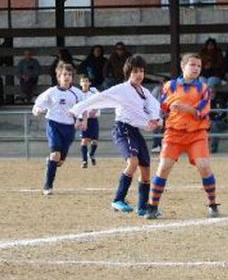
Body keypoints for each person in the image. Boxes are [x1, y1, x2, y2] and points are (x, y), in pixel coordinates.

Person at [69, 55, 162, 214]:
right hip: (123, 128)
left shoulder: (145, 92)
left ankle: (142, 207)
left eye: (141, 71)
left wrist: (156, 119)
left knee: (146, 170)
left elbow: (154, 107)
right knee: (133, 162)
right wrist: (76, 109)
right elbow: (100, 97)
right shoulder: (122, 89)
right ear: (128, 73)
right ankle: (118, 199)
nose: (139, 74)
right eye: (135, 71)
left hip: (135, 131)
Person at [144, 53, 221, 219]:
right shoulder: (169, 86)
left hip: (197, 133)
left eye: (198, 66)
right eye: (192, 65)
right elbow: (161, 109)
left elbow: (203, 112)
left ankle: (212, 203)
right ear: (183, 66)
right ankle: (152, 206)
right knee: (163, 167)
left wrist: (186, 109)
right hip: (174, 133)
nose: (196, 68)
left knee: (204, 167)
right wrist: (157, 119)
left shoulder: (203, 88)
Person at [31, 62, 84, 196]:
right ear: (58, 77)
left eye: (69, 75)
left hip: (69, 128)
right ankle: (48, 186)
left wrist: (81, 120)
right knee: (55, 154)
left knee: (59, 161)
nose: (67, 77)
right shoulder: (51, 92)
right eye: (64, 74)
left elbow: (83, 109)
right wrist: (37, 110)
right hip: (54, 125)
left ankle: (51, 162)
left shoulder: (77, 93)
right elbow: (37, 105)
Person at [77, 74, 100, 167]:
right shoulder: (78, 94)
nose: (85, 83)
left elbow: (100, 100)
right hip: (83, 119)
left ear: (89, 83)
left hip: (93, 119)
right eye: (83, 81)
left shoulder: (94, 91)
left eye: (86, 81)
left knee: (94, 141)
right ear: (80, 83)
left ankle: (91, 154)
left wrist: (95, 109)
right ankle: (84, 161)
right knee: (84, 140)